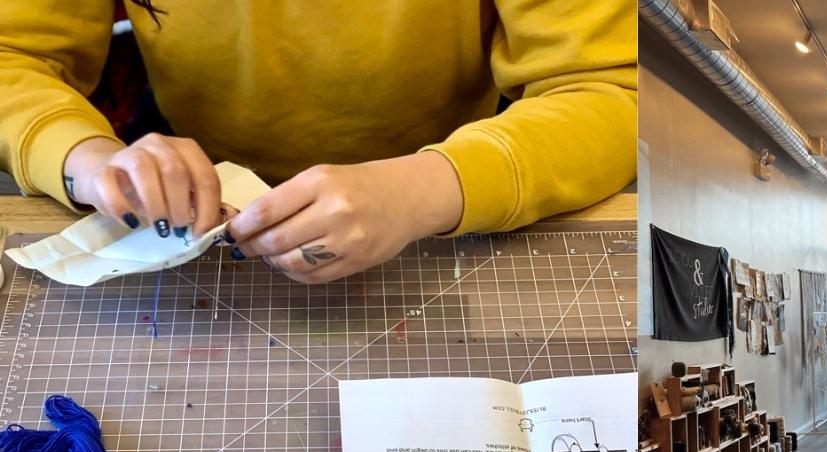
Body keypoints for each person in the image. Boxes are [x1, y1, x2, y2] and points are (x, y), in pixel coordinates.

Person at [0, 1, 636, 283]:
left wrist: (427, 188)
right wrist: (84, 156)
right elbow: (14, 53)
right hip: (198, 171)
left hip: (448, 181)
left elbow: (610, 90)